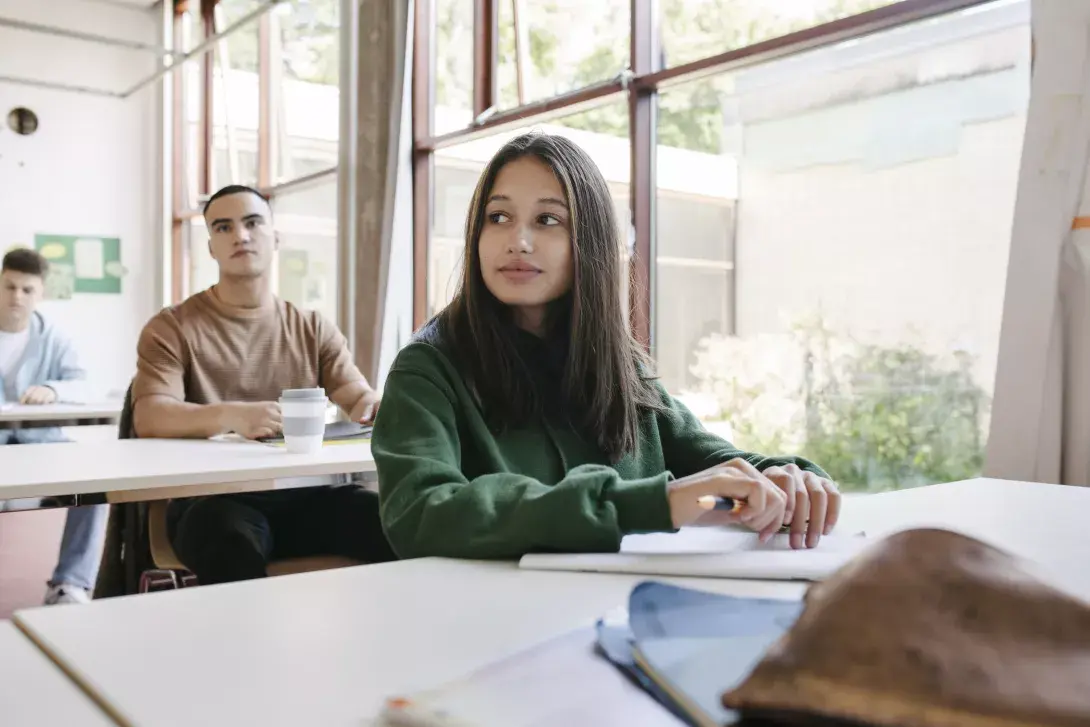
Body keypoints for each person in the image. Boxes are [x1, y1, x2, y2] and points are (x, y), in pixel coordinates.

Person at [372, 133, 841, 560]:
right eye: (499, 217)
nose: (518, 241)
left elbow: (712, 468)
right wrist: (653, 504)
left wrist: (785, 480)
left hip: (629, 607)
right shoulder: (427, 369)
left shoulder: (620, 365)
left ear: (589, 241)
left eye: (547, 220)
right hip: (489, 615)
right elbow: (419, 514)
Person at [132, 184, 395, 585]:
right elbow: (150, 415)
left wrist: (374, 405)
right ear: (211, 248)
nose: (240, 235)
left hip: (307, 496)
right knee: (228, 545)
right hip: (214, 500)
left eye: (253, 223)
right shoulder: (171, 327)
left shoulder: (312, 327)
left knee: (397, 524)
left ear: (275, 238)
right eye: (224, 227)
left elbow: (356, 395)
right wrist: (232, 415)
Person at [0, 248, 107, 605]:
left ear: (40, 293)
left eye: (27, 289)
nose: (17, 296)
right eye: (9, 286)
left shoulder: (54, 339)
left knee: (94, 483)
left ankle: (70, 582)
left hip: (41, 443)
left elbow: (87, 386)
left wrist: (53, 389)